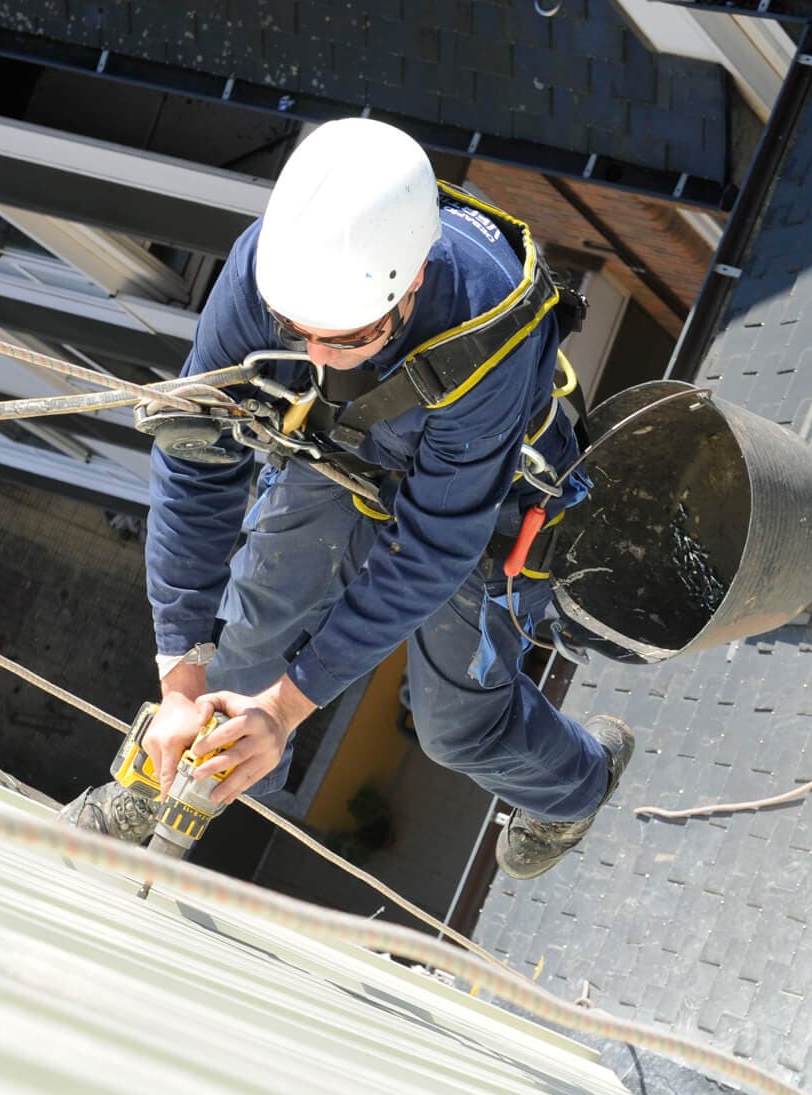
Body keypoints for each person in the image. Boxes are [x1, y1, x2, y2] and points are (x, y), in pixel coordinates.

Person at [62, 117, 631, 881]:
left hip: (487, 507)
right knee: (244, 654)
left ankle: (575, 785)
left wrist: (289, 709)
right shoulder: (273, 266)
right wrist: (180, 675)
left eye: (346, 339)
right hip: (340, 455)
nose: (318, 358)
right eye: (301, 335)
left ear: (414, 281)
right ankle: (160, 782)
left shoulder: (485, 333)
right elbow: (197, 459)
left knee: (457, 727)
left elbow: (432, 549)